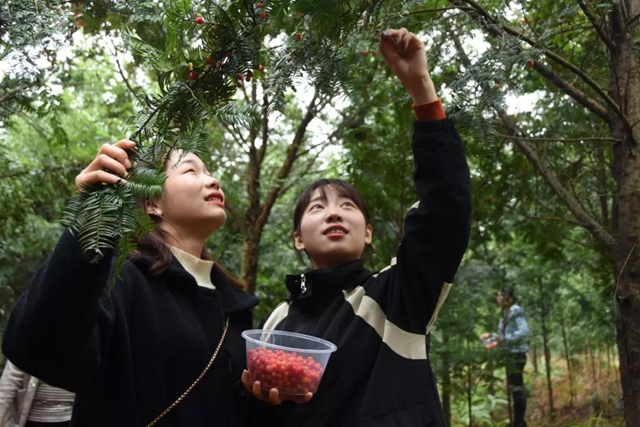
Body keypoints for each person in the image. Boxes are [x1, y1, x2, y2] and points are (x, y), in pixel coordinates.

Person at [242, 27, 471, 426]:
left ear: (367, 233)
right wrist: (260, 401)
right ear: (298, 238)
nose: (334, 213)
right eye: (317, 207)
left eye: (347, 205)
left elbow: (444, 212)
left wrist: (421, 89)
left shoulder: (396, 294)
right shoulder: (278, 321)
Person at [2, 143, 258, 426]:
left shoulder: (235, 303)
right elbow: (38, 348)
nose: (212, 179)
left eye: (209, 171)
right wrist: (92, 218)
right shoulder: (120, 279)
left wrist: (266, 401)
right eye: (190, 170)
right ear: (152, 203)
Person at [480, 288, 530, 427]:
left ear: (509, 298)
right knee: (513, 388)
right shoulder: (505, 314)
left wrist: (505, 340)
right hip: (509, 354)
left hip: (517, 354)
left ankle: (520, 422)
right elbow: (502, 336)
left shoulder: (515, 310)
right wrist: (490, 337)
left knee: (517, 388)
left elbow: (523, 331)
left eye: (500, 295)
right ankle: (516, 421)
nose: (498, 298)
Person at [0, 360, 74, 427]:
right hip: (30, 420)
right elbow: (6, 389)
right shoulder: (24, 348)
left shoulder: (82, 349)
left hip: (70, 419)